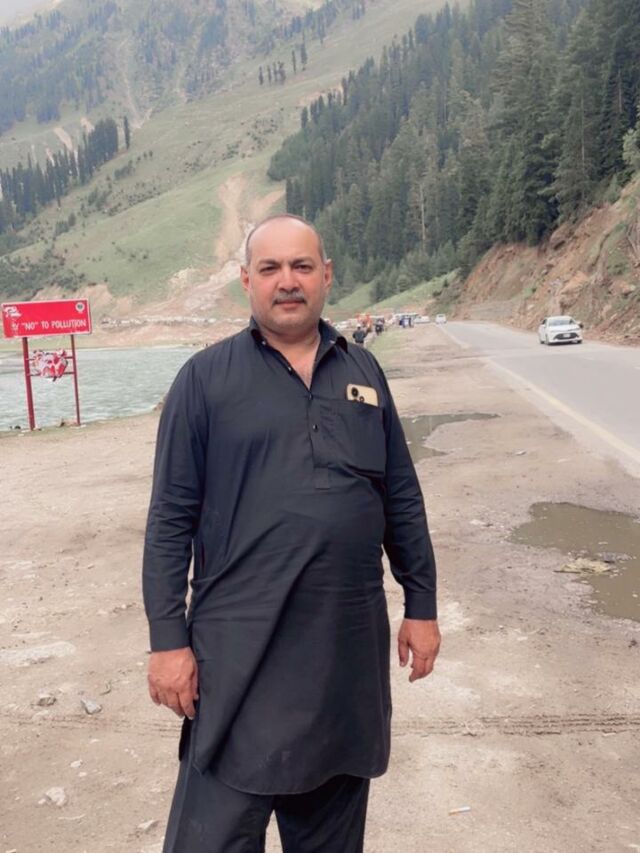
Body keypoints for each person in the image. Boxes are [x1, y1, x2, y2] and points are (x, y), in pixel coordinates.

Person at [142, 213, 440, 853]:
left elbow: (401, 497)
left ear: (326, 275)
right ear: (247, 281)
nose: (288, 281)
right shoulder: (204, 380)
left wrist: (422, 605)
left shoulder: (364, 371)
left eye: (302, 266)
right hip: (237, 656)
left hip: (344, 655)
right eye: (271, 268)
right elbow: (169, 519)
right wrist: (168, 641)